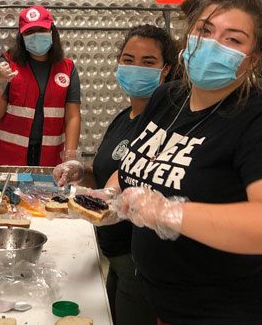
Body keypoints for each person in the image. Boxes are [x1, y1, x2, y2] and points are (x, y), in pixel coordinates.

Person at [100, 0, 262, 324]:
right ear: (188, 37)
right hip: (170, 307)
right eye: (205, 30)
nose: (213, 44)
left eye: (234, 39)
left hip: (242, 312)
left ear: (252, 59)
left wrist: (170, 212)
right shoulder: (168, 98)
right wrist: (109, 195)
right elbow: (135, 168)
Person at [54, 24, 177, 324]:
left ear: (166, 70)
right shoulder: (125, 117)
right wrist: (79, 171)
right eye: (128, 59)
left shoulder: (168, 122)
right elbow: (106, 176)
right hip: (113, 254)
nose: (136, 69)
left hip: (140, 258)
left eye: (148, 62)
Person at [0, 5, 81, 169]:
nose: (36, 36)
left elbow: (73, 116)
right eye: (29, 32)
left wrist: (70, 158)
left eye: (41, 30)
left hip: (50, 157)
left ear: (52, 31)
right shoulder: (7, 64)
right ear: (21, 36)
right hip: (7, 156)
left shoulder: (67, 68)